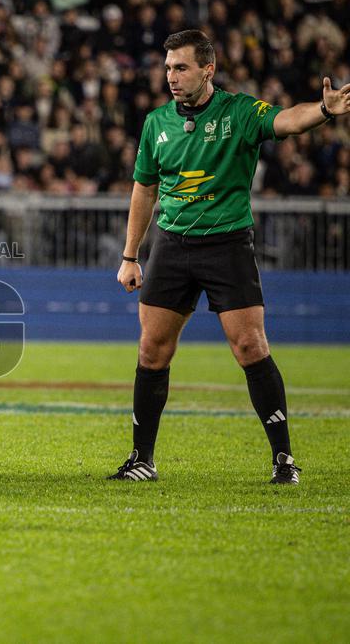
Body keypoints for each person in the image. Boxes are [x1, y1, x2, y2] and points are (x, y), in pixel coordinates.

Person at [110, 29, 350, 484]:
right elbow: (144, 188)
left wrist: (322, 110)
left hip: (227, 245)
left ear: (208, 69)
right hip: (171, 245)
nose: (172, 77)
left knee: (250, 347)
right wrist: (130, 255)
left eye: (181, 68)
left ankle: (284, 460)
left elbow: (287, 121)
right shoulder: (156, 123)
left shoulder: (239, 112)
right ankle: (142, 459)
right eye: (167, 68)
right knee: (151, 350)